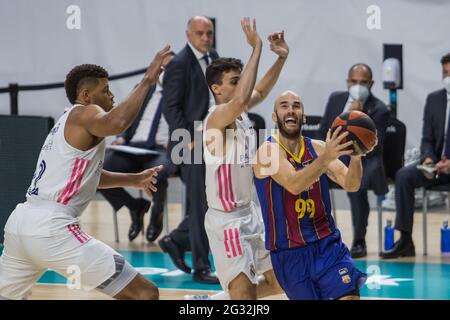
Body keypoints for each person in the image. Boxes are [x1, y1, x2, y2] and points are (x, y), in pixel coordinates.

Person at [0, 45, 172, 300]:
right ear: (86, 95)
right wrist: (148, 79)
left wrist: (133, 179)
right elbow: (118, 123)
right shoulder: (86, 112)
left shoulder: (66, 122)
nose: (112, 96)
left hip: (20, 224)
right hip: (53, 228)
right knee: (145, 294)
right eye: (105, 91)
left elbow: (88, 177)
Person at [253, 90, 368, 300]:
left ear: (303, 116)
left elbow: (351, 185)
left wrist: (356, 157)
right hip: (290, 252)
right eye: (284, 105)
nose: (291, 110)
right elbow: (293, 184)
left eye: (296, 105)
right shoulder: (267, 152)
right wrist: (325, 159)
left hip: (327, 244)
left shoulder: (318, 148)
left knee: (350, 297)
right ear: (274, 116)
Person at [202, 18, 287, 300]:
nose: (242, 87)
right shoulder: (216, 118)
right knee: (244, 298)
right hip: (226, 222)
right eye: (234, 81)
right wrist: (257, 48)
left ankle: (209, 303)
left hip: (251, 214)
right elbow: (240, 100)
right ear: (216, 88)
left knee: (280, 282)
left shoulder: (239, 112)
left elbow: (260, 91)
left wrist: (281, 58)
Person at [160, 16, 219, 283]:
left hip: (212, 141)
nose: (205, 38)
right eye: (200, 33)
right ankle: (201, 266)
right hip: (190, 144)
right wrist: (187, 139)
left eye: (209, 33)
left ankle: (175, 240)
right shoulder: (179, 64)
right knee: (201, 204)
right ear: (188, 34)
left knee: (209, 203)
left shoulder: (213, 57)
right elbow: (169, 107)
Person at [99, 51, 177, 242]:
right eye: (162, 67)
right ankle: (135, 206)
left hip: (162, 148)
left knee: (158, 172)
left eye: (171, 68)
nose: (166, 71)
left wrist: (177, 141)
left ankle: (156, 215)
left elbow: (191, 124)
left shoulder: (184, 95)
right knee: (98, 171)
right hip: (133, 145)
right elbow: (127, 117)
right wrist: (121, 137)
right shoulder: (142, 89)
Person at [381, 52, 450, 259]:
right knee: (404, 175)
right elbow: (427, 138)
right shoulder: (434, 99)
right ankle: (405, 240)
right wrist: (428, 159)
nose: (447, 77)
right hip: (435, 165)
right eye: (445, 72)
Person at [318, 63, 389, 258]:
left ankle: (359, 239)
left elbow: (375, 145)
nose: (358, 85)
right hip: (333, 156)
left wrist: (361, 116)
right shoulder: (336, 99)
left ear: (371, 84)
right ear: (348, 82)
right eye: (354, 81)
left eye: (363, 82)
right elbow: (323, 131)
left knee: (356, 185)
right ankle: (319, 238)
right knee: (310, 178)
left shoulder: (380, 109)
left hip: (365, 159)